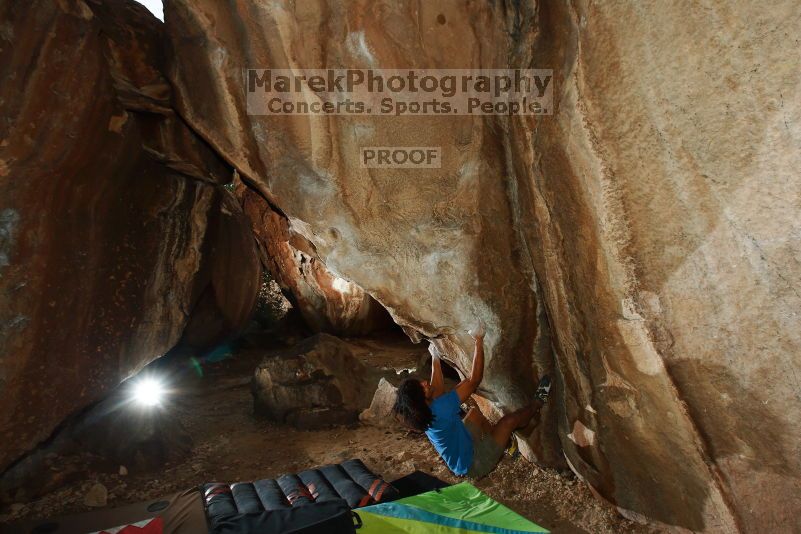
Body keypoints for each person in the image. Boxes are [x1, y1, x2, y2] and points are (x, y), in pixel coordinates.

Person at [392, 320, 551, 479]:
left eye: (420, 383)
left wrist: (435, 358)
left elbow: (436, 389)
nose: (425, 383)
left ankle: (503, 444)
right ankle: (537, 404)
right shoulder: (440, 409)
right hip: (475, 464)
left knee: (473, 415)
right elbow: (474, 380)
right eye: (422, 388)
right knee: (508, 422)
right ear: (423, 401)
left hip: (461, 455)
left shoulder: (427, 413)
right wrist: (479, 340)